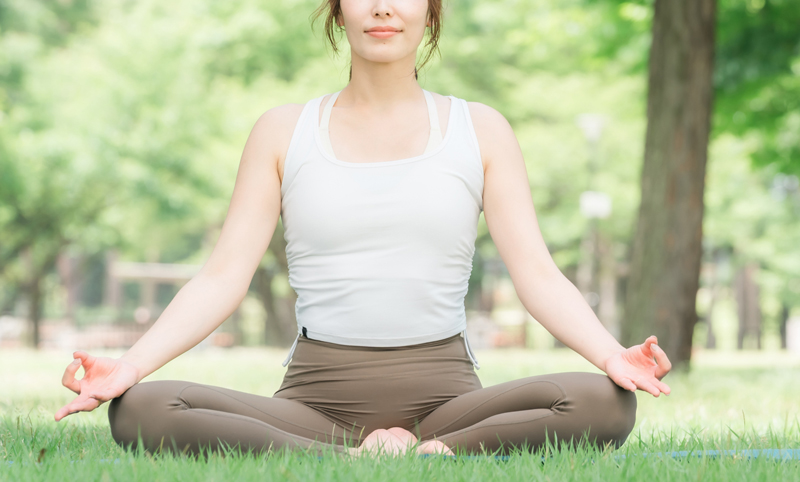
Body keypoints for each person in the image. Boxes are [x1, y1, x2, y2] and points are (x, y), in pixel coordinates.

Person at [55, 0, 672, 458]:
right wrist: (128, 369)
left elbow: (537, 274)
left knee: (603, 403)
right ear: (337, 11)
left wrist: (612, 356)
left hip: (452, 405)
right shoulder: (282, 131)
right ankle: (347, 460)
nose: (382, 7)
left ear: (430, 13)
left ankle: (439, 455)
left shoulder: (480, 130)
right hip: (313, 406)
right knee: (142, 411)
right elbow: (221, 277)